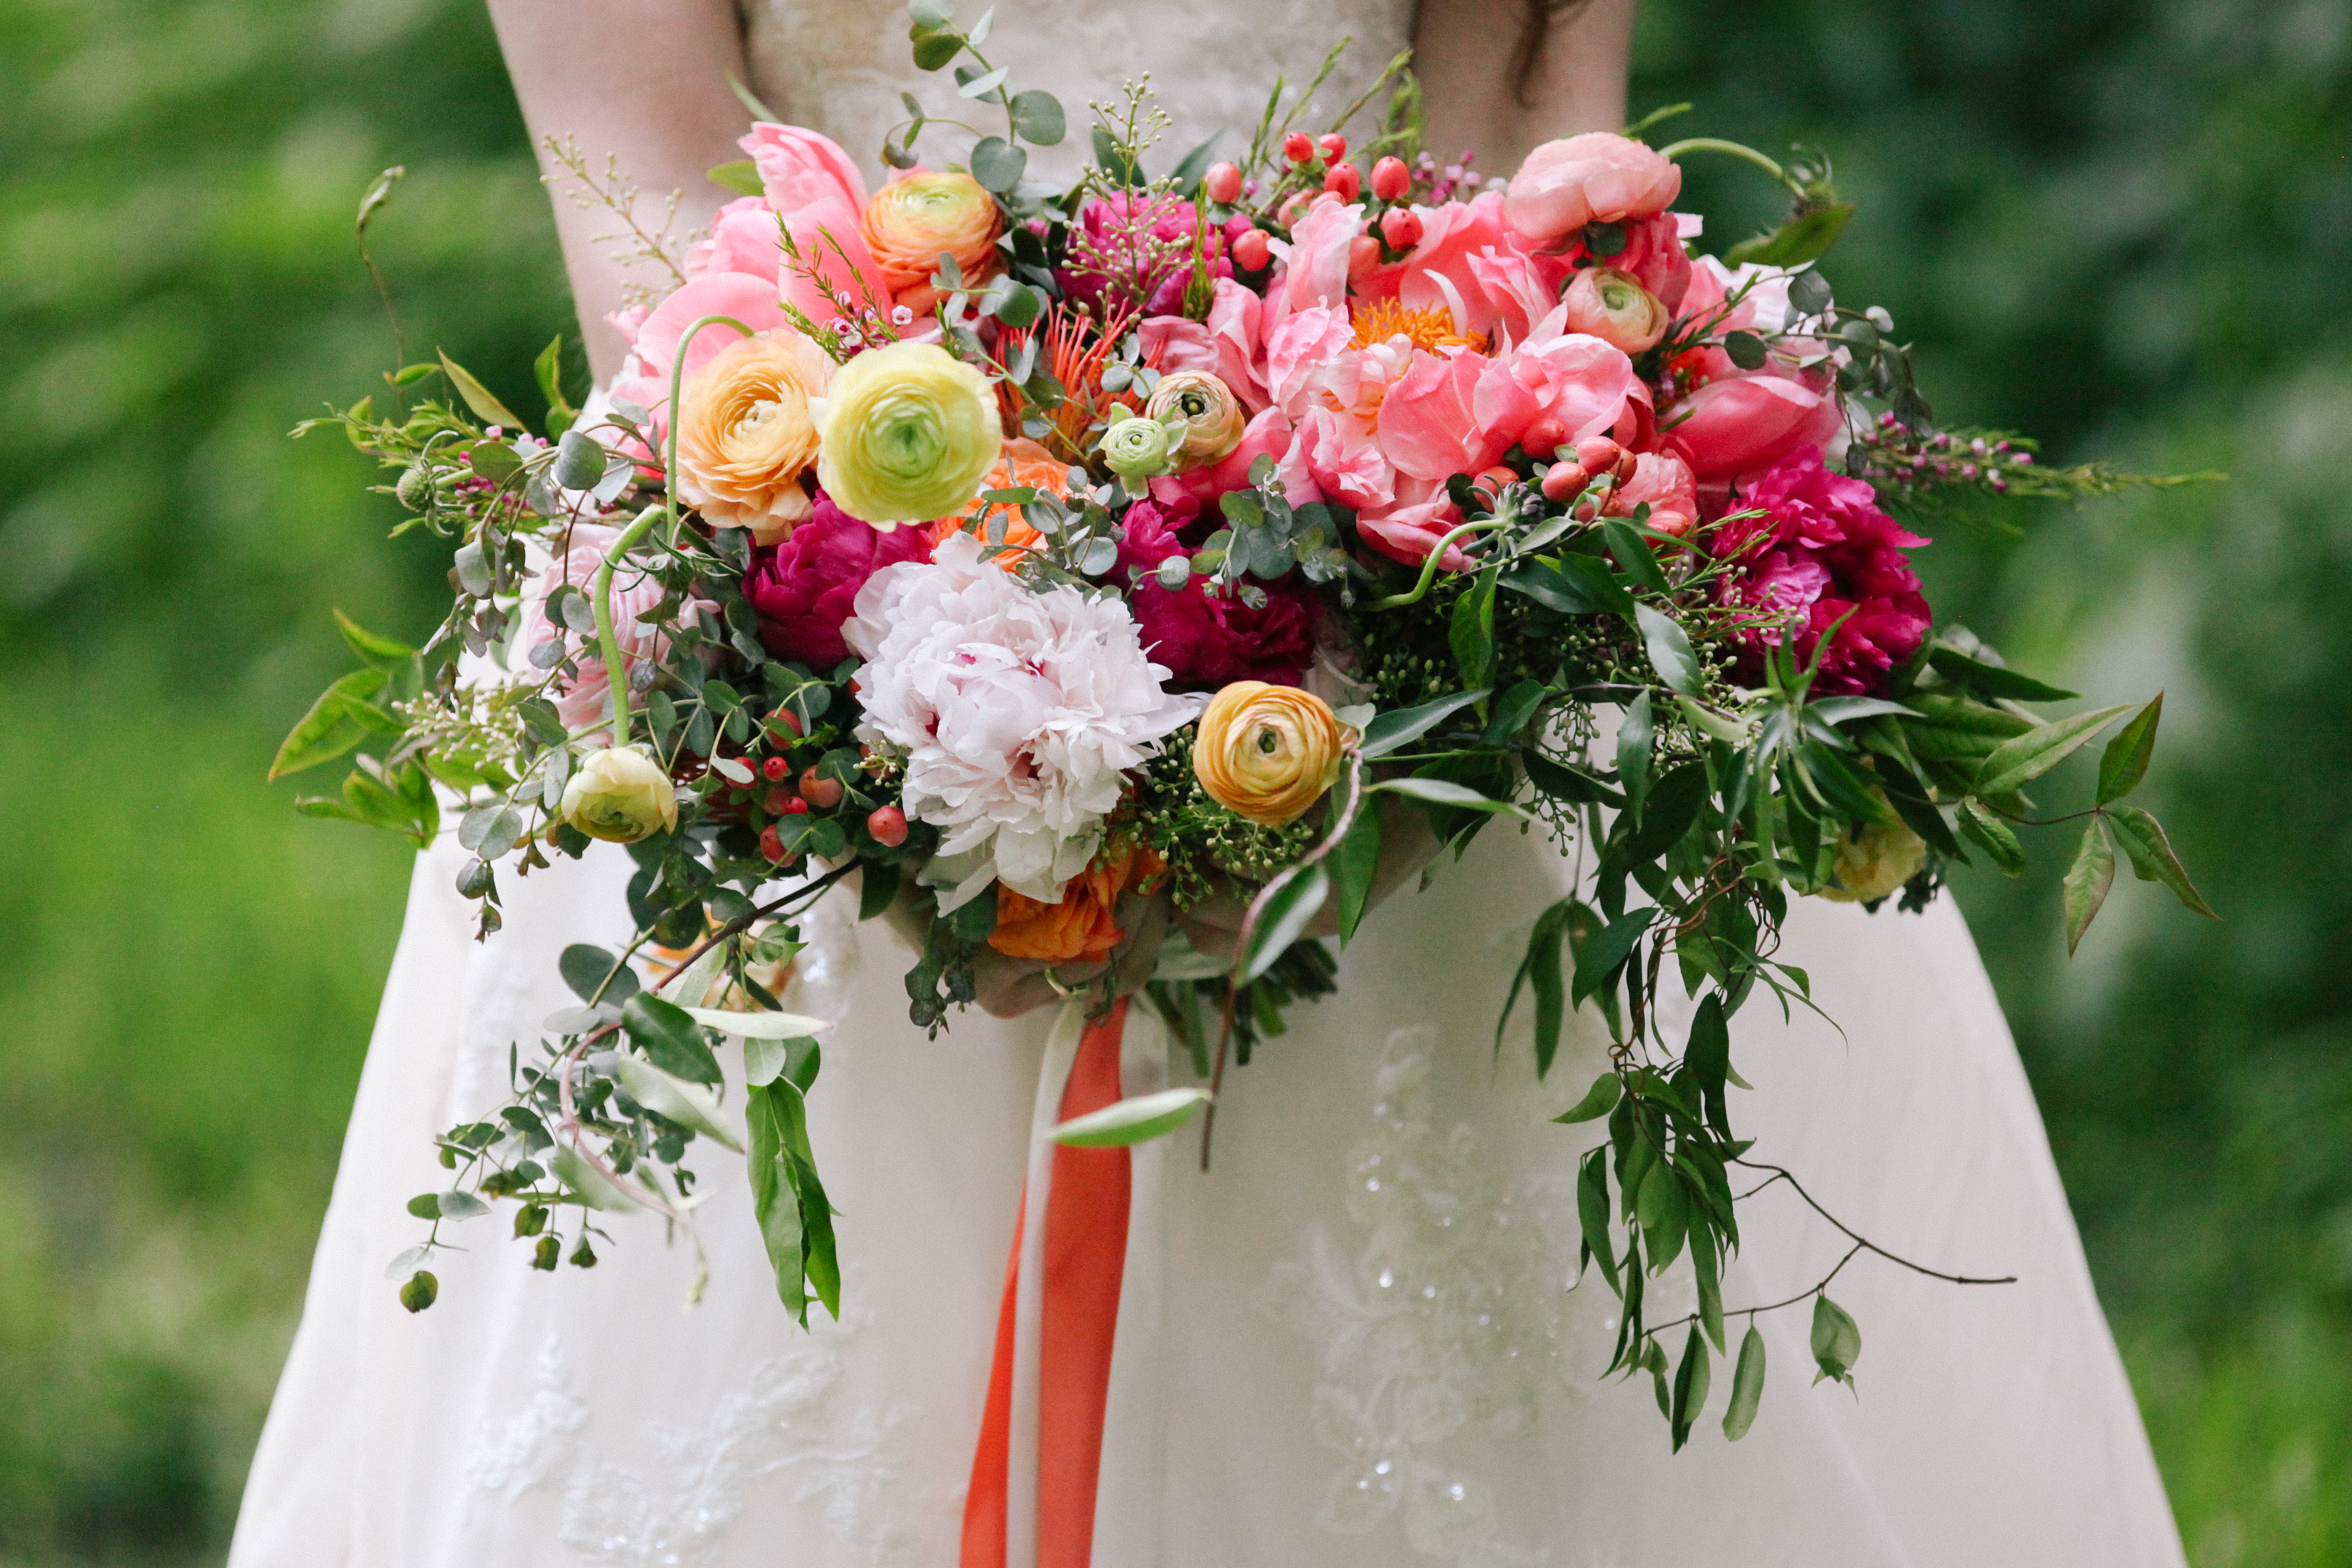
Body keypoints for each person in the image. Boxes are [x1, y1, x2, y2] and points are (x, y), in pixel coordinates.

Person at [228, 3, 2188, 1564]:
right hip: (810, 559)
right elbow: (637, 169)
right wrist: (874, 689)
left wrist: (1420, 639)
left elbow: (1519, 140)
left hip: (1420, 593)